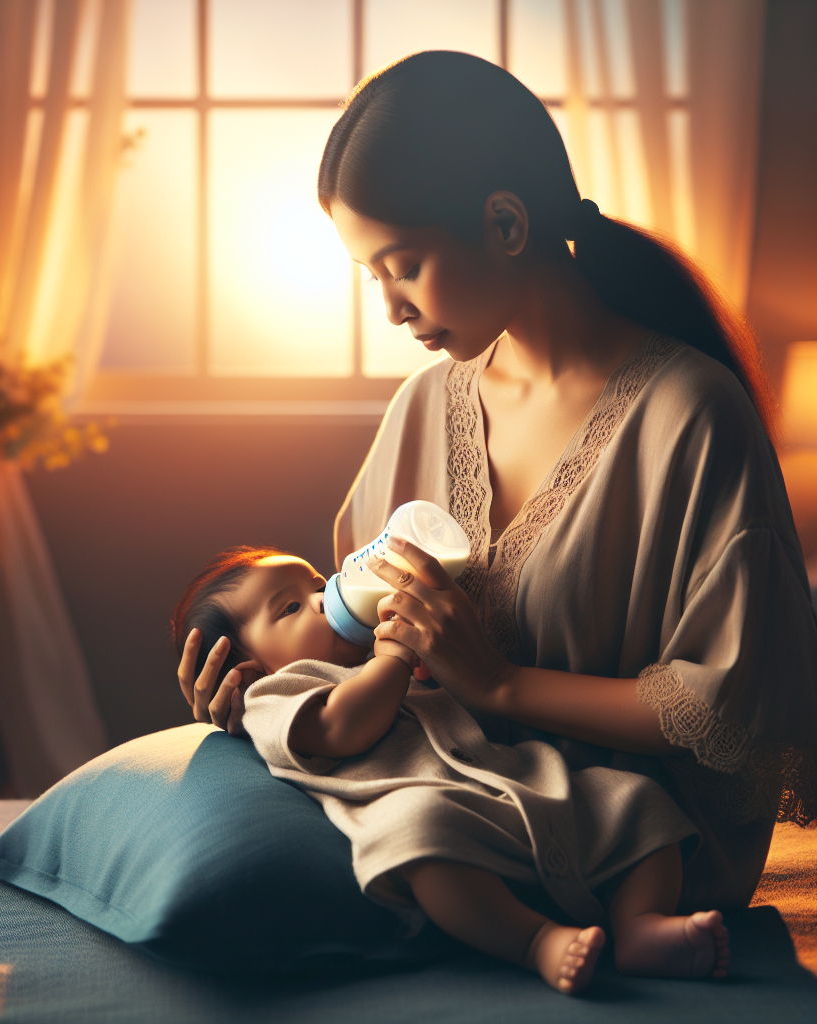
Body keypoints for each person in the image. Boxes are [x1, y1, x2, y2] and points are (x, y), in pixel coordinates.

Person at [180, 52, 816, 918]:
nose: (392, 309)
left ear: (507, 223)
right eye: (372, 277)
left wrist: (500, 683)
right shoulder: (422, 408)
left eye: (401, 266)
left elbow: (727, 709)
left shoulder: (691, 416)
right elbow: (360, 636)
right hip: (456, 832)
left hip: (647, 867)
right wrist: (261, 686)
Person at [173, 546, 728, 994]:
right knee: (421, 840)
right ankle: (536, 942)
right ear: (246, 668)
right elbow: (344, 728)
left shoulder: (383, 654)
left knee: (638, 802)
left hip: (519, 787)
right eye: (290, 608)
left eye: (318, 583)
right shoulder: (276, 696)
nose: (323, 600)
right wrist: (393, 659)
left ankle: (639, 925)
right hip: (426, 808)